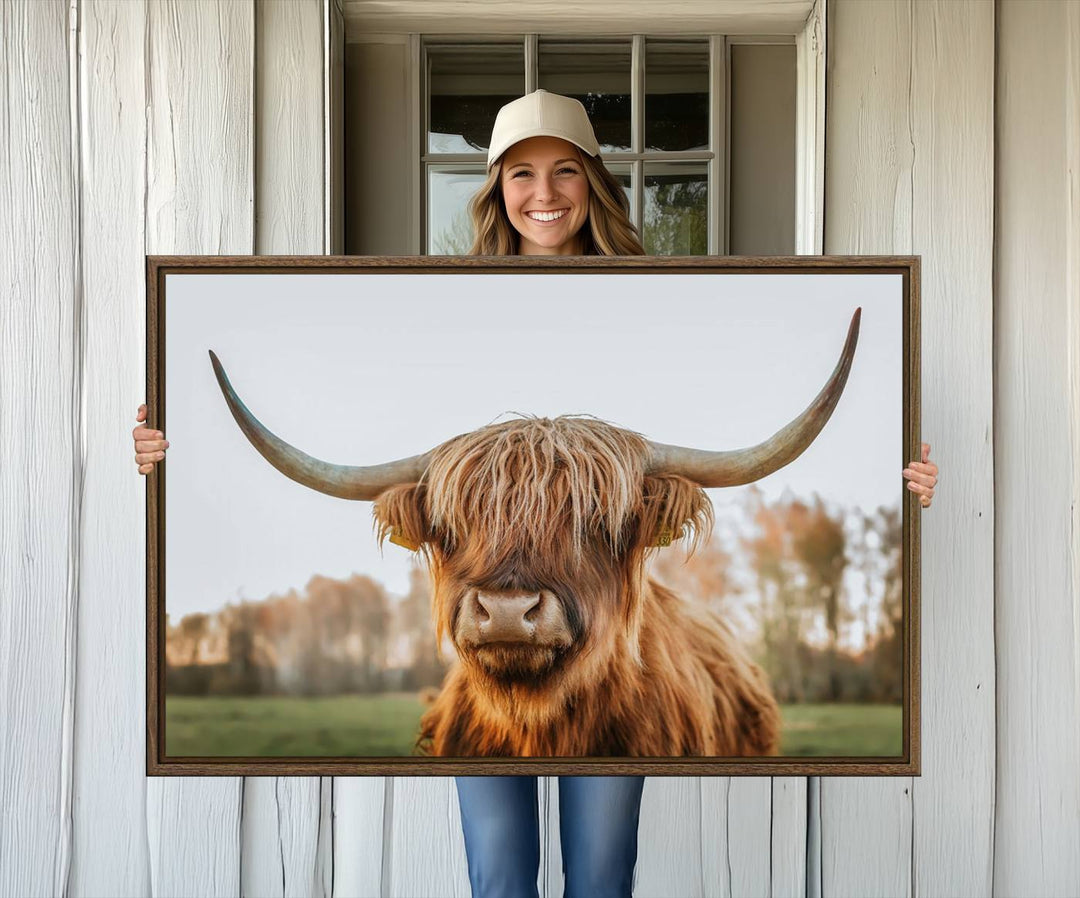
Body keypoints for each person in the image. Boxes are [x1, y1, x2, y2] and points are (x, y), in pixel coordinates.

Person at [131, 90, 939, 898]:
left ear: (592, 182)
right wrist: (167, 444)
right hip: (487, 686)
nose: (544, 195)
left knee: (598, 878)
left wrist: (901, 478)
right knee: (498, 880)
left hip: (616, 668)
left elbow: (741, 421)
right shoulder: (437, 299)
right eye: (521, 174)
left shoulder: (662, 293)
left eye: (564, 173)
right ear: (496, 189)